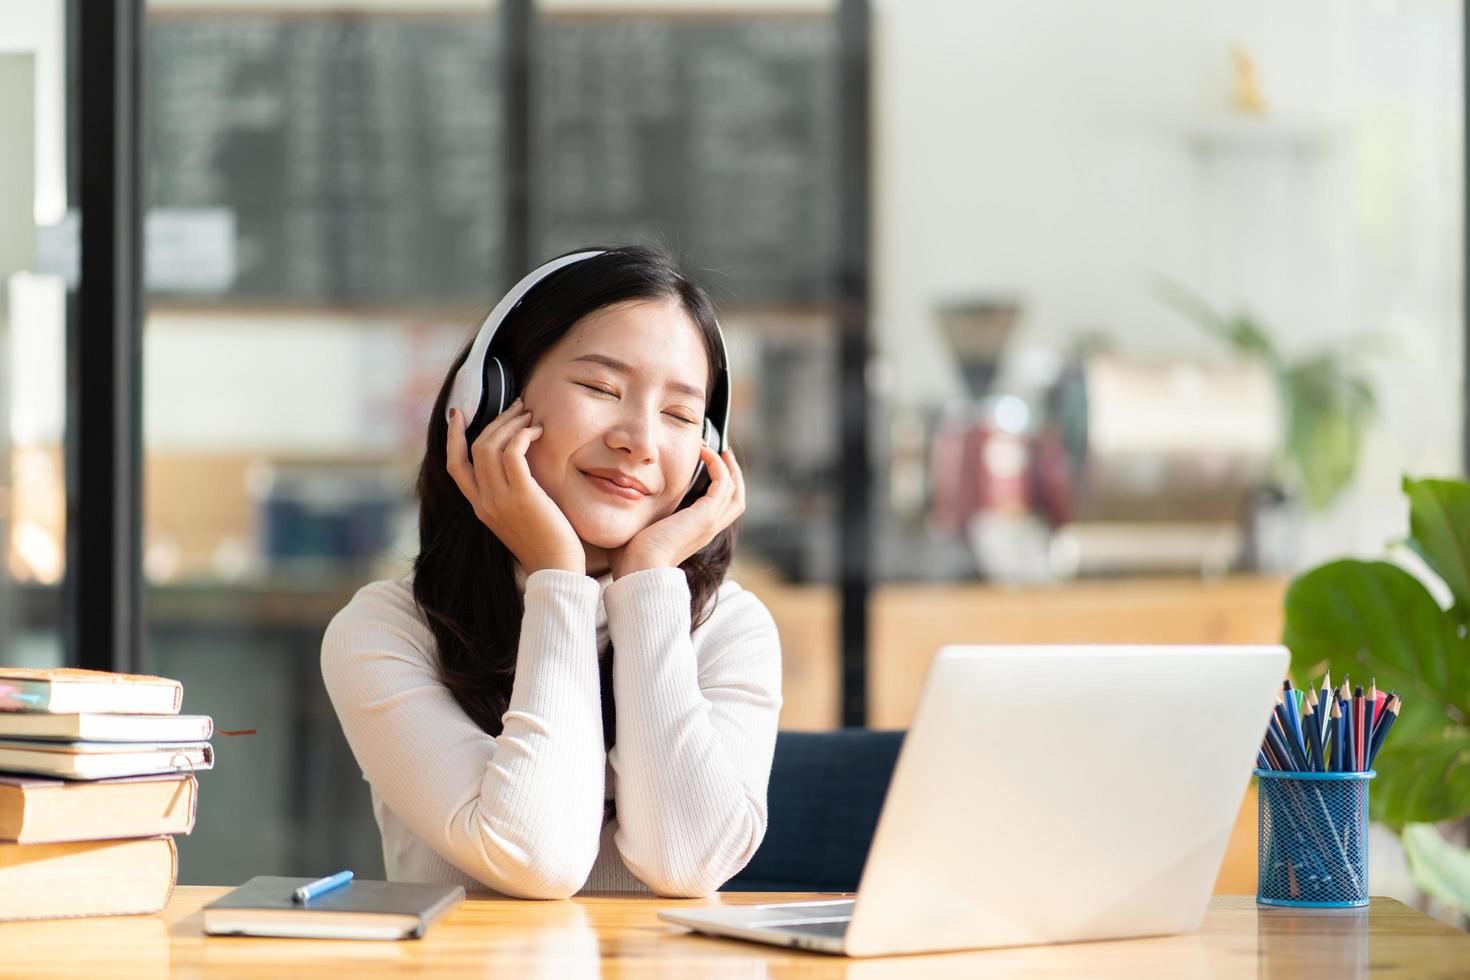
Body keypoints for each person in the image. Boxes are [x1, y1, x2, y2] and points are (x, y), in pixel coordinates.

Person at [321, 245, 782, 899]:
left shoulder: (731, 628)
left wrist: (648, 580)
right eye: (600, 388)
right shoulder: (386, 631)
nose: (640, 442)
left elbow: (690, 862)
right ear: (493, 398)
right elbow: (536, 858)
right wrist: (560, 579)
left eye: (679, 415)